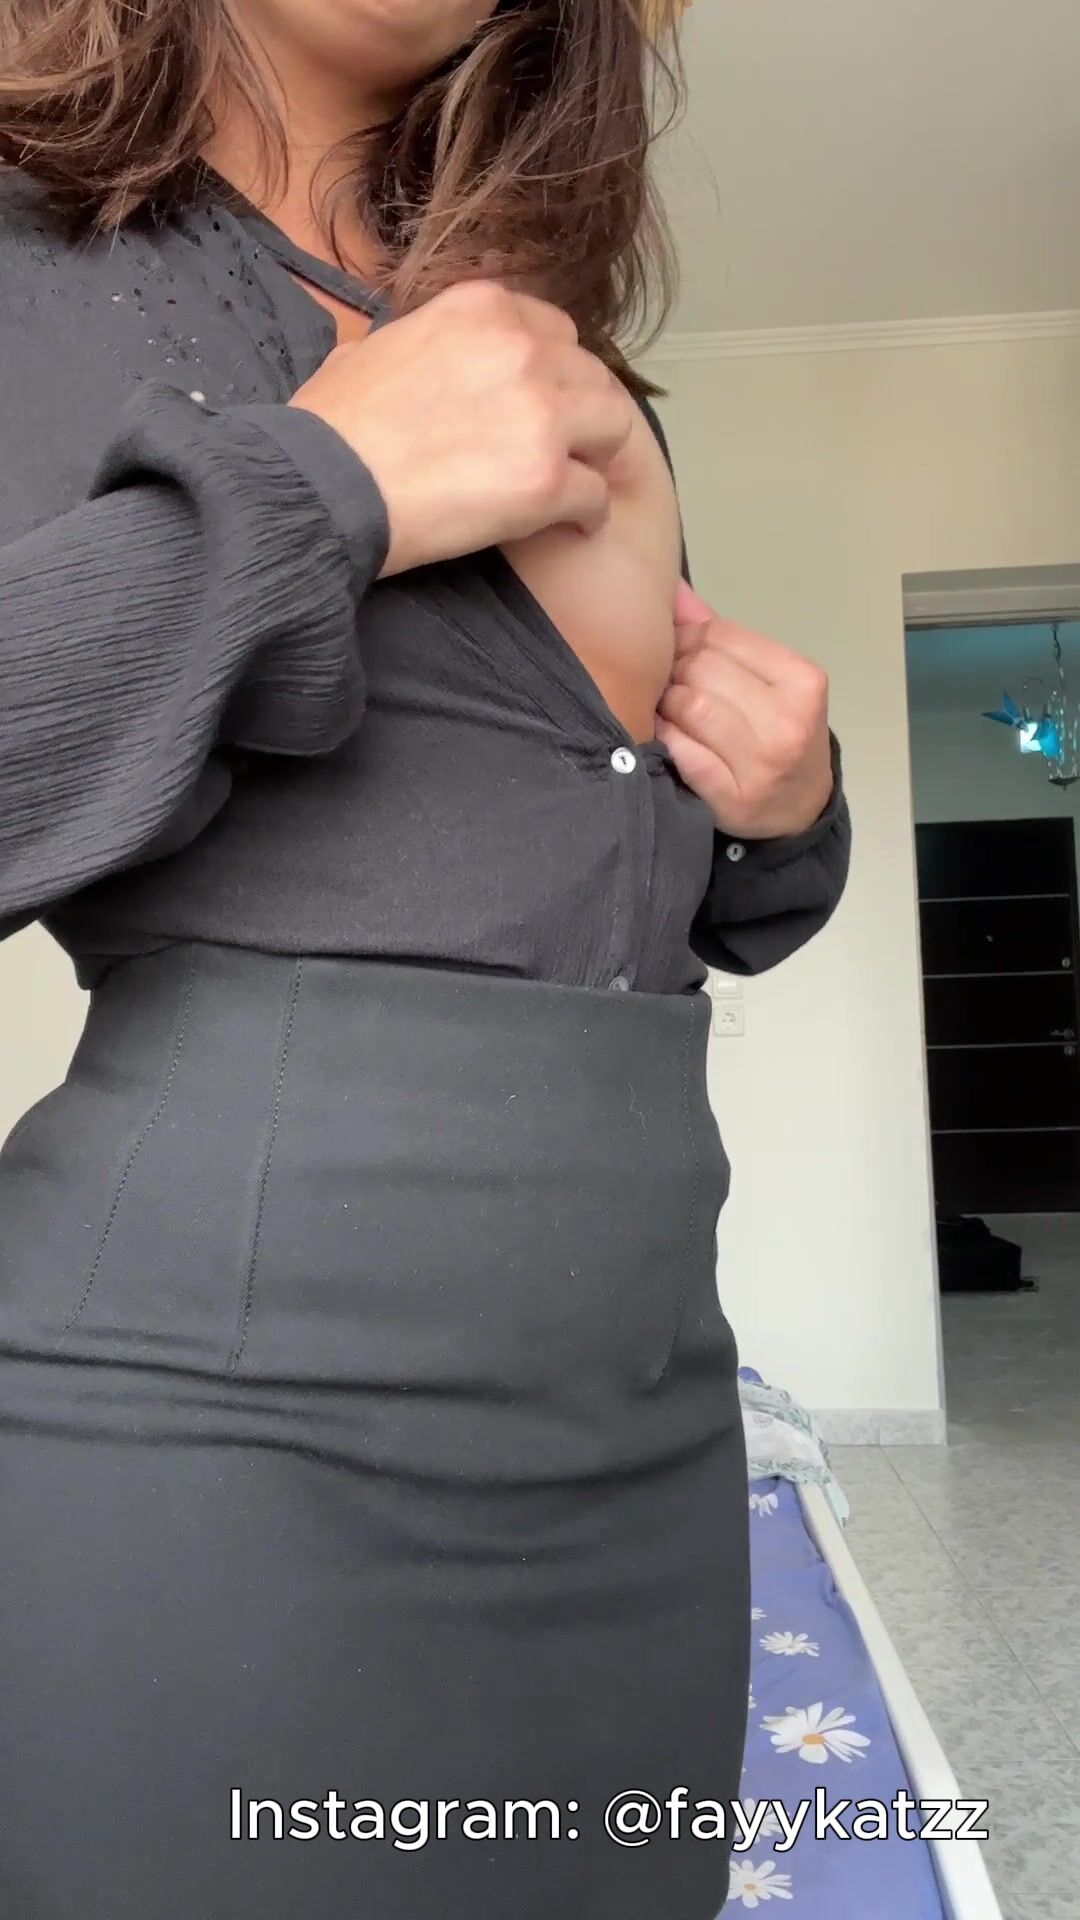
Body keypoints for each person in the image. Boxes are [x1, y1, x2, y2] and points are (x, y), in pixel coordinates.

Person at [0, 4, 851, 1917]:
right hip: (210, 1440)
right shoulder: (23, 261)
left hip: (641, 1415)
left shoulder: (542, 338)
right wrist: (322, 486)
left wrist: (789, 812)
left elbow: (615, 868)